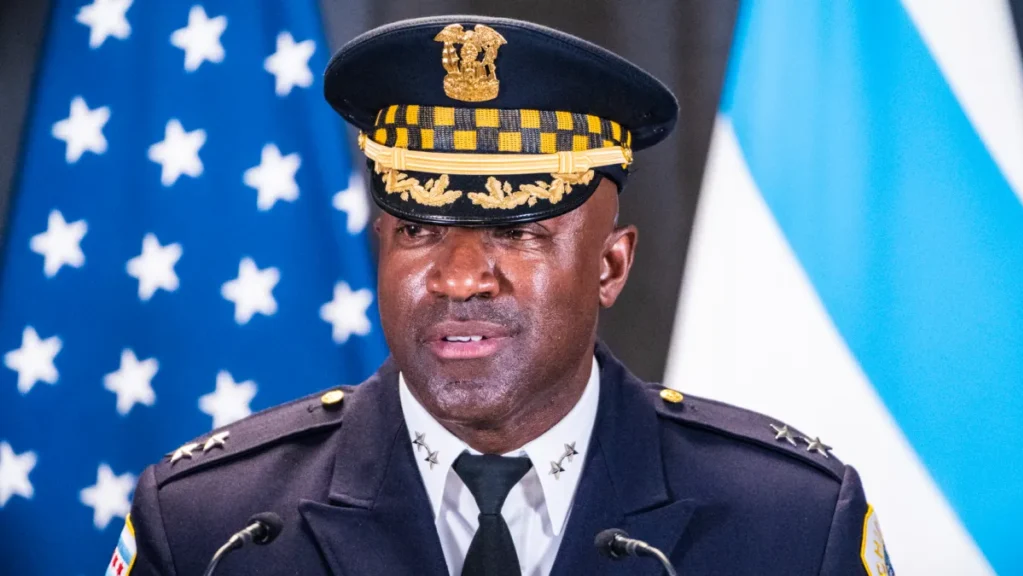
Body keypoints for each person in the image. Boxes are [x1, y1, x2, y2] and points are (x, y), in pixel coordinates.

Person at [109, 15, 894, 576]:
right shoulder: (212, 532)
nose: (456, 277)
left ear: (610, 268)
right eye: (417, 229)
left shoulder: (790, 526)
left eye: (517, 232)